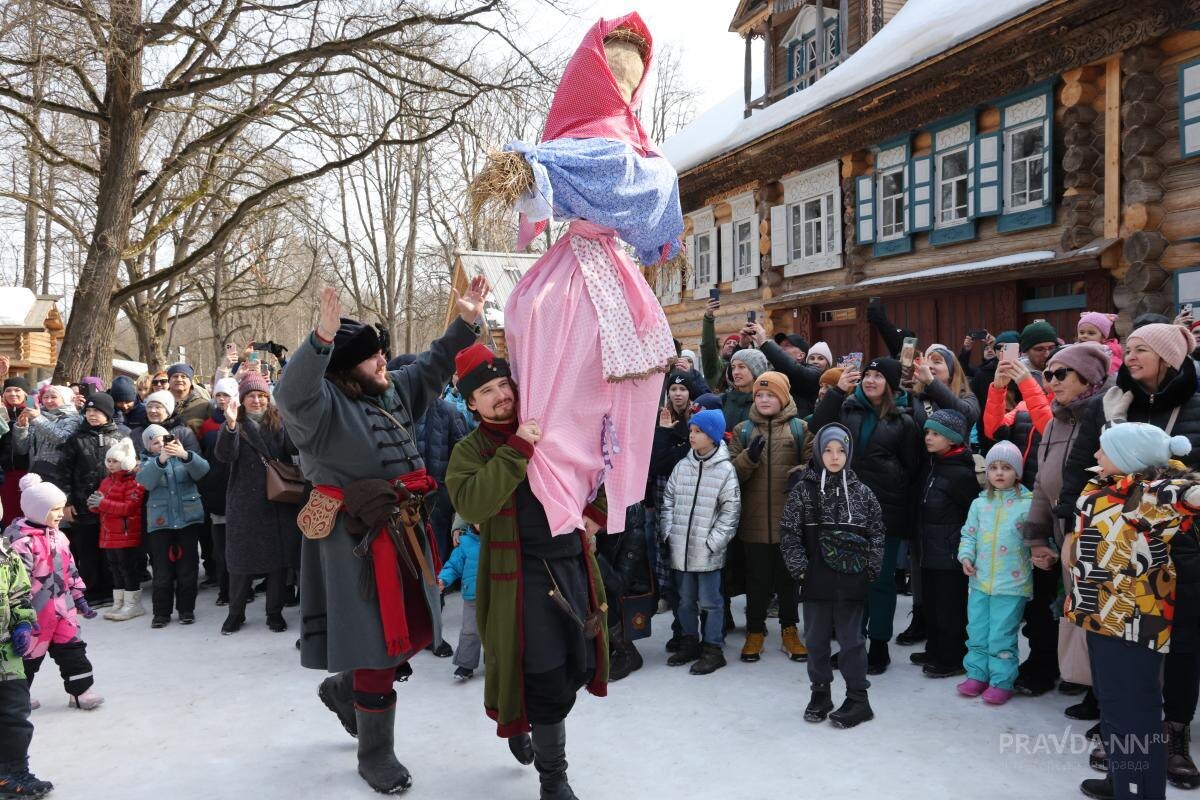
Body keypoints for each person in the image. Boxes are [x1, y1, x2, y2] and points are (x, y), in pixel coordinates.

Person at [274, 281, 484, 795]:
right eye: (372, 358)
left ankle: (344, 689)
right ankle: (376, 754)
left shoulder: (389, 390)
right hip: (354, 545)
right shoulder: (319, 409)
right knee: (375, 645)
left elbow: (435, 365)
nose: (384, 361)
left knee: (409, 633)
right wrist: (320, 339)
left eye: (382, 353)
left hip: (404, 534)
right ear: (347, 368)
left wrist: (466, 322)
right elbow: (290, 392)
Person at [496, 14, 680, 542]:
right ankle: (574, 476)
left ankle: (590, 482)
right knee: (561, 339)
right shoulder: (635, 158)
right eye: (623, 76)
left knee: (560, 335)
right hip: (594, 267)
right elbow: (658, 231)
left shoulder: (626, 154)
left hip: (596, 267)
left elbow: (534, 176)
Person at [445, 342, 609, 800]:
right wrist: (517, 448)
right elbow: (474, 501)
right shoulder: (468, 451)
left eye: (504, 384)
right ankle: (553, 778)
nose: (502, 396)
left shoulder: (549, 426)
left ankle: (527, 719)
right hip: (518, 579)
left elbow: (593, 470)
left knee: (574, 664)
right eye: (488, 391)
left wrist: (597, 507)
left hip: (571, 567)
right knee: (543, 672)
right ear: (471, 402)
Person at [1057, 324, 1200, 785]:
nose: (1130, 358)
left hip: (1177, 553)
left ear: (1169, 358)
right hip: (1113, 571)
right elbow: (1082, 468)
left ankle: (1169, 738)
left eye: (1142, 350)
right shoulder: (1112, 403)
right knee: (1123, 682)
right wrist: (1069, 528)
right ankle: (1128, 762)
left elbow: (1185, 488)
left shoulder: (1194, 405)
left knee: (1177, 650)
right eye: (1129, 349)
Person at [811, 357, 924, 674]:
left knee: (880, 582)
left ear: (890, 383)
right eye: (868, 375)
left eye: (879, 376)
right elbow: (816, 428)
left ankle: (879, 646)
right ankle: (852, 643)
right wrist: (836, 392)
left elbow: (913, 468)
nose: (871, 380)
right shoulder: (846, 409)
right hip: (845, 508)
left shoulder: (904, 421)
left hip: (885, 511)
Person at [1022, 342, 1111, 710]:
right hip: (1065, 535)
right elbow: (1043, 482)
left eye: (1062, 374)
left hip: (1099, 535)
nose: (1053, 381)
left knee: (1101, 616)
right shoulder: (1057, 418)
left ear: (1087, 377)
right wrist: (1037, 537)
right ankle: (1086, 683)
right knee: (1074, 612)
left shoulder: (1108, 416)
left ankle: (1103, 694)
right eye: (1048, 374)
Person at [780, 423, 886, 728]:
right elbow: (789, 532)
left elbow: (877, 532)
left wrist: (871, 568)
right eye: (828, 450)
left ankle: (858, 698)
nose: (835, 456)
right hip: (815, 581)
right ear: (818, 452)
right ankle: (820, 692)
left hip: (851, 583)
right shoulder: (803, 491)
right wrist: (801, 569)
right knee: (815, 640)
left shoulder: (863, 494)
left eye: (841, 450)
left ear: (849, 453)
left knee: (852, 641)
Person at [729, 371, 808, 663]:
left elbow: (813, 462)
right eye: (759, 395)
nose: (763, 400)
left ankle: (790, 629)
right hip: (754, 522)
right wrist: (748, 458)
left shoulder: (800, 428)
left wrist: (801, 474)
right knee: (757, 580)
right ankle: (755, 630)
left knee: (789, 580)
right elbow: (731, 473)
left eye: (770, 395)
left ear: (783, 398)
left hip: (790, 522)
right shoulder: (743, 430)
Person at [5, 474, 103, 711]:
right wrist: (20, 618)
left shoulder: (59, 537)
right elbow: (17, 583)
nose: (61, 514)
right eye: (55, 509)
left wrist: (79, 596)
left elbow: (69, 569)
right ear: (37, 511)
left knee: (74, 652)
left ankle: (81, 692)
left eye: (61, 508)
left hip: (63, 610)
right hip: (33, 616)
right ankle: (17, 699)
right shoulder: (21, 544)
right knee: (26, 660)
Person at [213, 371, 301, 635]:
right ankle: (235, 614)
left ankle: (274, 613)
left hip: (277, 500)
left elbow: (295, 450)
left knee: (277, 562)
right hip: (244, 502)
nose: (257, 401)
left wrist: (296, 420)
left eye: (261, 396)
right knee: (241, 563)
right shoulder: (234, 424)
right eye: (251, 396)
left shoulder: (279, 421)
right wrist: (229, 426)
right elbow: (224, 456)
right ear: (242, 399)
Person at [660, 407, 740, 675]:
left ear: (713, 437)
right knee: (684, 600)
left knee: (710, 601)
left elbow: (730, 511)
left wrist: (713, 544)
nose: (692, 436)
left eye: (699, 432)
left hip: (706, 552)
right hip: (680, 548)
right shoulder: (683, 466)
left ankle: (713, 648)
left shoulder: (725, 470)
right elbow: (669, 499)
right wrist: (669, 531)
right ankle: (689, 641)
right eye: (692, 431)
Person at [956, 441, 1032, 705]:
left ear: (1018, 472)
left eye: (1007, 468)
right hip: (979, 582)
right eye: (994, 468)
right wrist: (966, 556)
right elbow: (969, 534)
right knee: (976, 630)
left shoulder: (1027, 504)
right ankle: (977, 674)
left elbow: (1038, 538)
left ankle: (1001, 680)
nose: (999, 473)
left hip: (1011, 585)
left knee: (1001, 635)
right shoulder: (979, 504)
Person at [910, 409, 978, 679]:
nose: (928, 438)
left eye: (936, 434)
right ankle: (935, 648)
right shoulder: (933, 464)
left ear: (952, 439)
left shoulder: (961, 473)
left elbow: (970, 513)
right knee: (933, 604)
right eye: (927, 432)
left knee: (950, 607)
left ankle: (952, 657)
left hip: (950, 551)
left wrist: (963, 549)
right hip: (929, 547)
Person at [0, 503, 51, 798]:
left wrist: (22, 622)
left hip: (7, 653)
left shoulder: (7, 553)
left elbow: (20, 592)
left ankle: (14, 771)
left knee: (15, 713)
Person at [58, 392, 128, 607]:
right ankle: (92, 591)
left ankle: (112, 588)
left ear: (107, 413)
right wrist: (68, 502)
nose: (92, 415)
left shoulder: (120, 438)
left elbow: (129, 469)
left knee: (111, 549)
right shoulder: (76, 439)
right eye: (88, 411)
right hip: (83, 504)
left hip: (112, 504)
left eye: (96, 411)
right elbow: (64, 472)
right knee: (87, 549)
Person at [137, 424, 210, 628]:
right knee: (162, 570)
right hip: (161, 523)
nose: (161, 445)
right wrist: (160, 461)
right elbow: (145, 482)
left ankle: (187, 609)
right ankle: (161, 612)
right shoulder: (146, 462)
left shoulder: (183, 457)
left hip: (188, 520)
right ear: (148, 447)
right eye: (155, 442)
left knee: (189, 568)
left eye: (164, 440)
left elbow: (203, 470)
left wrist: (185, 455)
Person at [94, 439, 146, 621]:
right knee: (114, 568)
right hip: (108, 533)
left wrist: (103, 503)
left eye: (115, 461)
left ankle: (133, 603)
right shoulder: (106, 481)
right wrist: (94, 504)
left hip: (126, 532)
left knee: (127, 568)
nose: (110, 464)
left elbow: (130, 507)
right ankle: (120, 601)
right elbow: (101, 505)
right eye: (109, 461)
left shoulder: (134, 481)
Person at [198, 377, 238, 607]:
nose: (222, 400)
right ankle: (225, 589)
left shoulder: (246, 424)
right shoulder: (210, 430)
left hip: (241, 495)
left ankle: (242, 586)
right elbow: (207, 465)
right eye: (219, 395)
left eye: (226, 395)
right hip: (218, 494)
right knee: (221, 549)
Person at [437, 515, 480, 681]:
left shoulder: (498, 542)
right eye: (478, 519)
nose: (481, 523)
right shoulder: (465, 543)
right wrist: (443, 579)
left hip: (496, 596)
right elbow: (453, 565)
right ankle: (466, 664)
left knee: (496, 633)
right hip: (472, 597)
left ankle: (496, 665)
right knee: (470, 631)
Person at [12, 385, 80, 487]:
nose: (48, 401)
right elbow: (22, 449)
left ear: (65, 398)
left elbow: (62, 439)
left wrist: (38, 419)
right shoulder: (38, 416)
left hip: (59, 475)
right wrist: (21, 427)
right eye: (45, 397)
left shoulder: (73, 418)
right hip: (35, 473)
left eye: (53, 397)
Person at [1, 369, 31, 528]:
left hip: (30, 473)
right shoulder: (2, 414)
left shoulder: (34, 413)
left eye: (17, 390)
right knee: (8, 517)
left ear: (26, 393)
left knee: (28, 517)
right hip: (6, 474)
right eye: (8, 390)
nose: (13, 393)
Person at [722, 348, 769, 434]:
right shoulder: (724, 400)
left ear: (756, 370)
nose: (735, 372)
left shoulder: (768, 402)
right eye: (733, 367)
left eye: (741, 367)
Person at [165, 364, 211, 436]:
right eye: (175, 376)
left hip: (193, 446)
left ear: (191, 381)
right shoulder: (159, 402)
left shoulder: (203, 405)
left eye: (184, 376)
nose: (179, 379)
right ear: (169, 380)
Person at [1019, 320, 1060, 386]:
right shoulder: (1015, 376)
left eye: (1051, 348)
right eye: (1039, 349)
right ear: (1026, 351)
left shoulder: (1067, 371)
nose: (1047, 354)